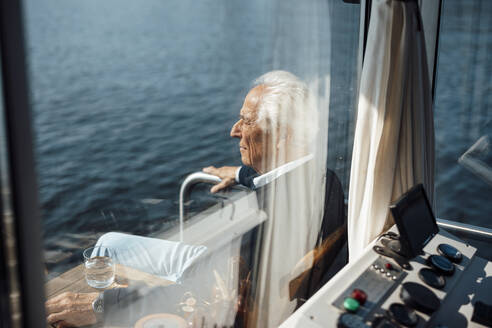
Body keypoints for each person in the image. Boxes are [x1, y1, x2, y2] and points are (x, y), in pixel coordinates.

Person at [46, 71, 346, 328]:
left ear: (281, 136)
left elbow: (191, 295)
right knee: (110, 241)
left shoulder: (259, 222)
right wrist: (240, 173)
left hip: (211, 277)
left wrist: (101, 304)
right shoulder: (325, 178)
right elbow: (276, 176)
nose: (234, 131)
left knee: (105, 247)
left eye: (246, 121)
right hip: (230, 268)